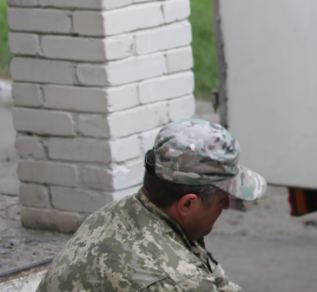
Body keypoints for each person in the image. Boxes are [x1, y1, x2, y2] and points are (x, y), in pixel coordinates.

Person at [37, 119, 267, 292]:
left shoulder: (115, 213)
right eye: (222, 198)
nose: (226, 206)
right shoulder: (176, 281)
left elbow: (219, 282)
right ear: (187, 204)